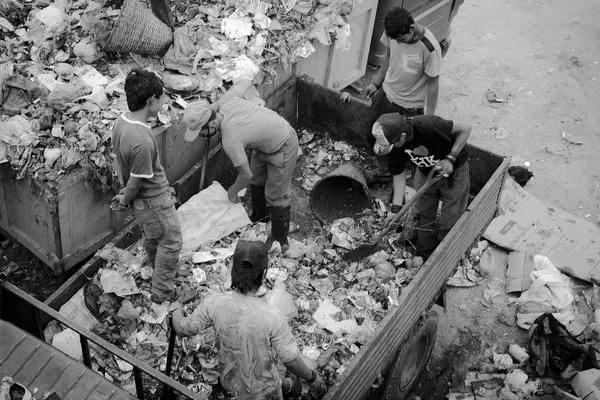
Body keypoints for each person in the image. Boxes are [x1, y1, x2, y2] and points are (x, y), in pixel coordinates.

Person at [169, 240, 325, 400]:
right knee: (269, 372)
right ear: (264, 274)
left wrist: (175, 308)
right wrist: (312, 377)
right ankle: (286, 385)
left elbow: (182, 329)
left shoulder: (214, 303)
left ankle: (287, 385)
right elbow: (291, 361)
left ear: (232, 270)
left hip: (231, 383)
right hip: (265, 393)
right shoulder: (272, 316)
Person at [110, 68, 197, 304]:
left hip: (144, 204)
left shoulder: (121, 122)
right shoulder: (142, 140)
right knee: (172, 242)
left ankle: (158, 267)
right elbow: (138, 181)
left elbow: (119, 162)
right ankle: (163, 291)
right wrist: (126, 197)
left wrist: (125, 190)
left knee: (152, 236)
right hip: (154, 201)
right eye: (161, 97)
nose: (164, 101)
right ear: (151, 101)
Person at [183, 79, 299, 250]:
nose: (201, 136)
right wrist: (215, 106)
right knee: (257, 180)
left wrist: (232, 191)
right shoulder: (227, 100)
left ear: (212, 124)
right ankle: (261, 217)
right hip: (264, 145)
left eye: (201, 132)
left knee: (276, 194)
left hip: (283, 143)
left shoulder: (230, 139)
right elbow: (245, 81)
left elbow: (245, 175)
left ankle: (280, 238)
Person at [372, 112, 471, 259]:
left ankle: (445, 255)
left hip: (453, 172)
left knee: (451, 217)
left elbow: (466, 128)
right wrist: (396, 210)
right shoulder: (393, 147)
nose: (391, 149)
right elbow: (399, 176)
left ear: (403, 136)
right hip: (425, 173)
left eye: (393, 145)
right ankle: (425, 254)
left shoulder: (429, 126)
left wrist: (450, 158)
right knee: (423, 214)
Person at [363, 6, 443, 184]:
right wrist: (376, 83)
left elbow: (433, 84)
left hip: (409, 107)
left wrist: (430, 116)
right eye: (395, 39)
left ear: (412, 28)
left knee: (408, 149)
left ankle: (409, 183)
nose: (398, 43)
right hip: (386, 95)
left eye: (402, 39)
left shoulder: (429, 48)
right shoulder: (393, 32)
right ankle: (383, 171)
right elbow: (388, 57)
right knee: (373, 134)